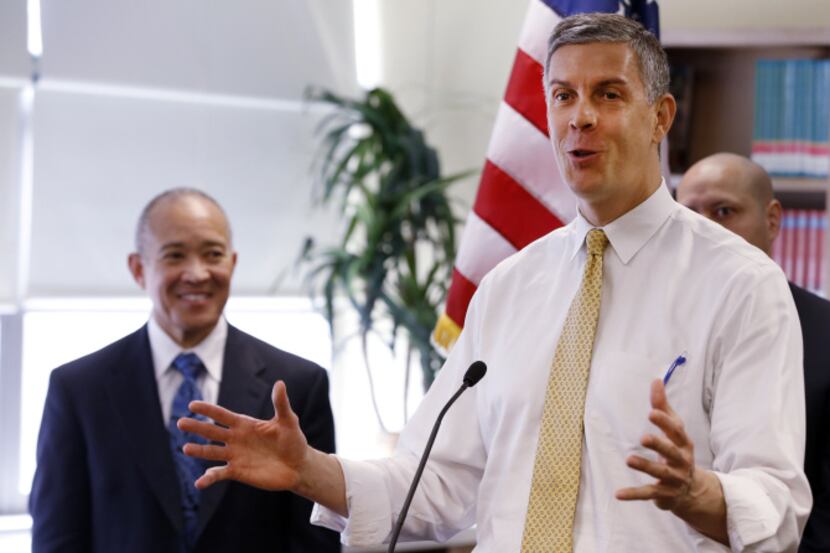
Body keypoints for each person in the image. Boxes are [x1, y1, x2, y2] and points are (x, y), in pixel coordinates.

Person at [179, 14, 811, 552]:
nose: (580, 117)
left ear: (660, 117)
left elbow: (777, 503)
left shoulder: (740, 284)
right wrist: (306, 470)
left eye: (609, 94)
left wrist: (699, 493)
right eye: (563, 96)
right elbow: (436, 482)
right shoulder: (510, 286)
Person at [29, 188, 340, 553]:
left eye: (213, 254)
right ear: (138, 268)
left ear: (233, 262)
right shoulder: (79, 389)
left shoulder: (297, 386)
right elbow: (58, 537)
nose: (197, 273)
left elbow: (316, 539)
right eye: (175, 256)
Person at [677, 152, 830, 553]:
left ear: (772, 219)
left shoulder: (825, 331)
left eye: (724, 211)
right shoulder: (651, 327)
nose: (704, 229)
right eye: (689, 215)